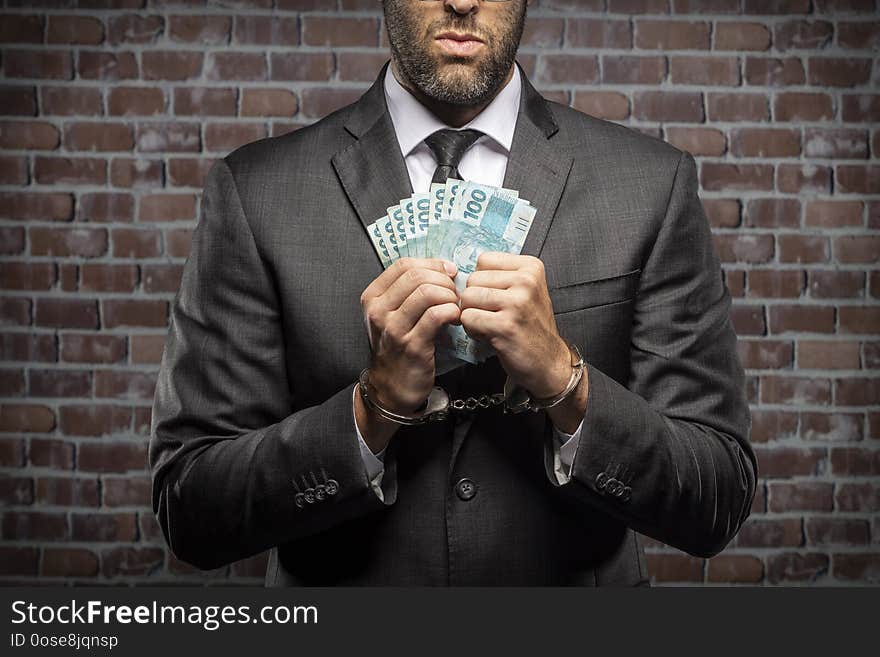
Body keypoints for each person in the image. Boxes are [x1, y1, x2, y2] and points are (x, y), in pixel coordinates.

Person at [149, 0, 756, 586]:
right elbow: (192, 508)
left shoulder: (651, 184)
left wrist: (566, 382)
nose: (463, 2)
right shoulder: (258, 192)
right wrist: (371, 410)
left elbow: (716, 498)